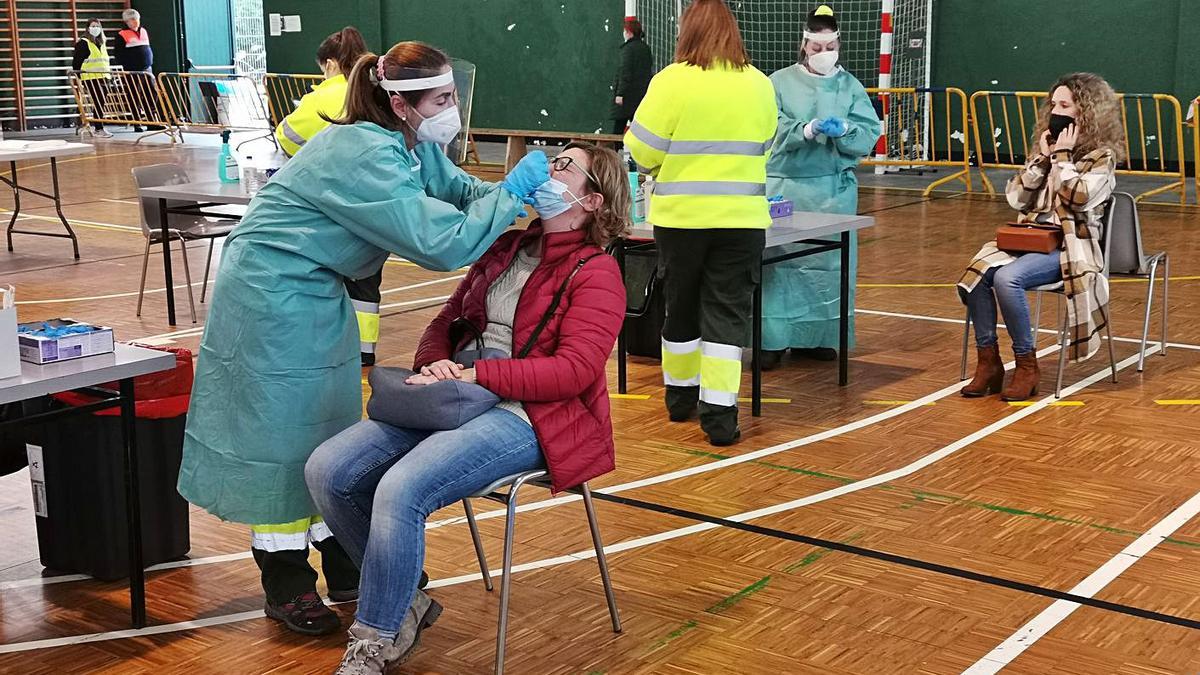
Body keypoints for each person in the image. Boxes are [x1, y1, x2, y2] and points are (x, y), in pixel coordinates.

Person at [176, 41, 553, 637]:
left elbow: (459, 193)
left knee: (329, 427)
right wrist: (512, 195)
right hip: (269, 295)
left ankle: (345, 558)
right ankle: (285, 579)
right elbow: (441, 245)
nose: (452, 108)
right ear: (401, 104)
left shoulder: (408, 144)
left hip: (317, 290)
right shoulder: (358, 151)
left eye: (454, 95)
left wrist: (518, 195)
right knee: (281, 436)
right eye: (443, 99)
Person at [307, 141, 628, 674]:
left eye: (565, 166)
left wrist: (479, 372)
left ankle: (374, 638)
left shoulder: (596, 272)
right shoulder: (504, 248)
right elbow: (445, 322)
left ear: (593, 202)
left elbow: (574, 371)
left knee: (401, 487)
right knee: (328, 470)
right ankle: (404, 599)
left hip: (532, 414)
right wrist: (435, 363)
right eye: (552, 159)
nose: (549, 169)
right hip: (456, 394)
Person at [624, 0, 777, 446]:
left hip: (682, 221)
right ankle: (720, 416)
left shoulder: (670, 81)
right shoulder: (760, 84)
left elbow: (644, 152)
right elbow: (766, 146)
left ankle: (680, 398)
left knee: (681, 304)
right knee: (727, 314)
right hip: (743, 221)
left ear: (685, 31)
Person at [959, 72, 1123, 401]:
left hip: (1070, 248)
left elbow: (1077, 196)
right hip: (1031, 238)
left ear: (1086, 112)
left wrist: (1063, 159)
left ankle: (1026, 366)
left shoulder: (1101, 158)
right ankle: (988, 362)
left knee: (1007, 279)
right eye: (1053, 104)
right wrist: (1042, 161)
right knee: (974, 276)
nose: (1056, 111)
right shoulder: (1048, 151)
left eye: (1065, 105)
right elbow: (1017, 200)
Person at [760, 5, 881, 370]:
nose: (823, 55)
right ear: (804, 46)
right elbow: (768, 126)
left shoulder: (850, 86)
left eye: (830, 48)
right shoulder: (777, 83)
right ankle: (772, 338)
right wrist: (805, 130)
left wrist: (846, 131)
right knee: (777, 267)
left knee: (828, 264)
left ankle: (819, 336)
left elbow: (868, 133)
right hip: (785, 188)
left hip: (832, 193)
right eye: (817, 49)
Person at [273, 26, 382, 366]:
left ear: (331, 63)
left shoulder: (325, 95)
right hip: (377, 200)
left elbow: (286, 136)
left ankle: (327, 346)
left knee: (324, 276)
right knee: (366, 277)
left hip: (332, 202)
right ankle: (365, 348)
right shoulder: (376, 89)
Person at [113, 8, 157, 132]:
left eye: (136, 19)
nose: (135, 22)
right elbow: (118, 55)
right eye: (132, 20)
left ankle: (152, 121)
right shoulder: (121, 35)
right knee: (134, 96)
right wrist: (129, 66)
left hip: (147, 69)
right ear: (127, 22)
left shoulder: (143, 31)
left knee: (151, 94)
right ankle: (137, 122)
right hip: (132, 71)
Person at [610, 18, 653, 136]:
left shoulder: (628, 49)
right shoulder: (645, 48)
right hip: (641, 96)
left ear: (628, 32)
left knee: (617, 131)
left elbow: (625, 72)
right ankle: (635, 155)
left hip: (627, 98)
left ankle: (612, 154)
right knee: (638, 131)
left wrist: (620, 93)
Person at [72, 18, 113, 138]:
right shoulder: (83, 43)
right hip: (90, 77)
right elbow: (76, 62)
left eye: (97, 26)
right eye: (93, 26)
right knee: (98, 101)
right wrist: (79, 77)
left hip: (104, 77)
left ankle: (98, 127)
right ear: (88, 28)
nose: (95, 28)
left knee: (101, 102)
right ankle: (99, 128)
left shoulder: (102, 42)